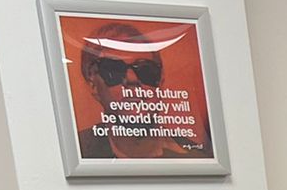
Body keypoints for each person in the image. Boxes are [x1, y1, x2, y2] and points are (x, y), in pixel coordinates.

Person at [74, 22, 213, 160]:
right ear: (93, 85)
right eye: (114, 69)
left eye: (145, 70)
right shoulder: (77, 151)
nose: (132, 79)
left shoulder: (196, 158)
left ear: (160, 81)